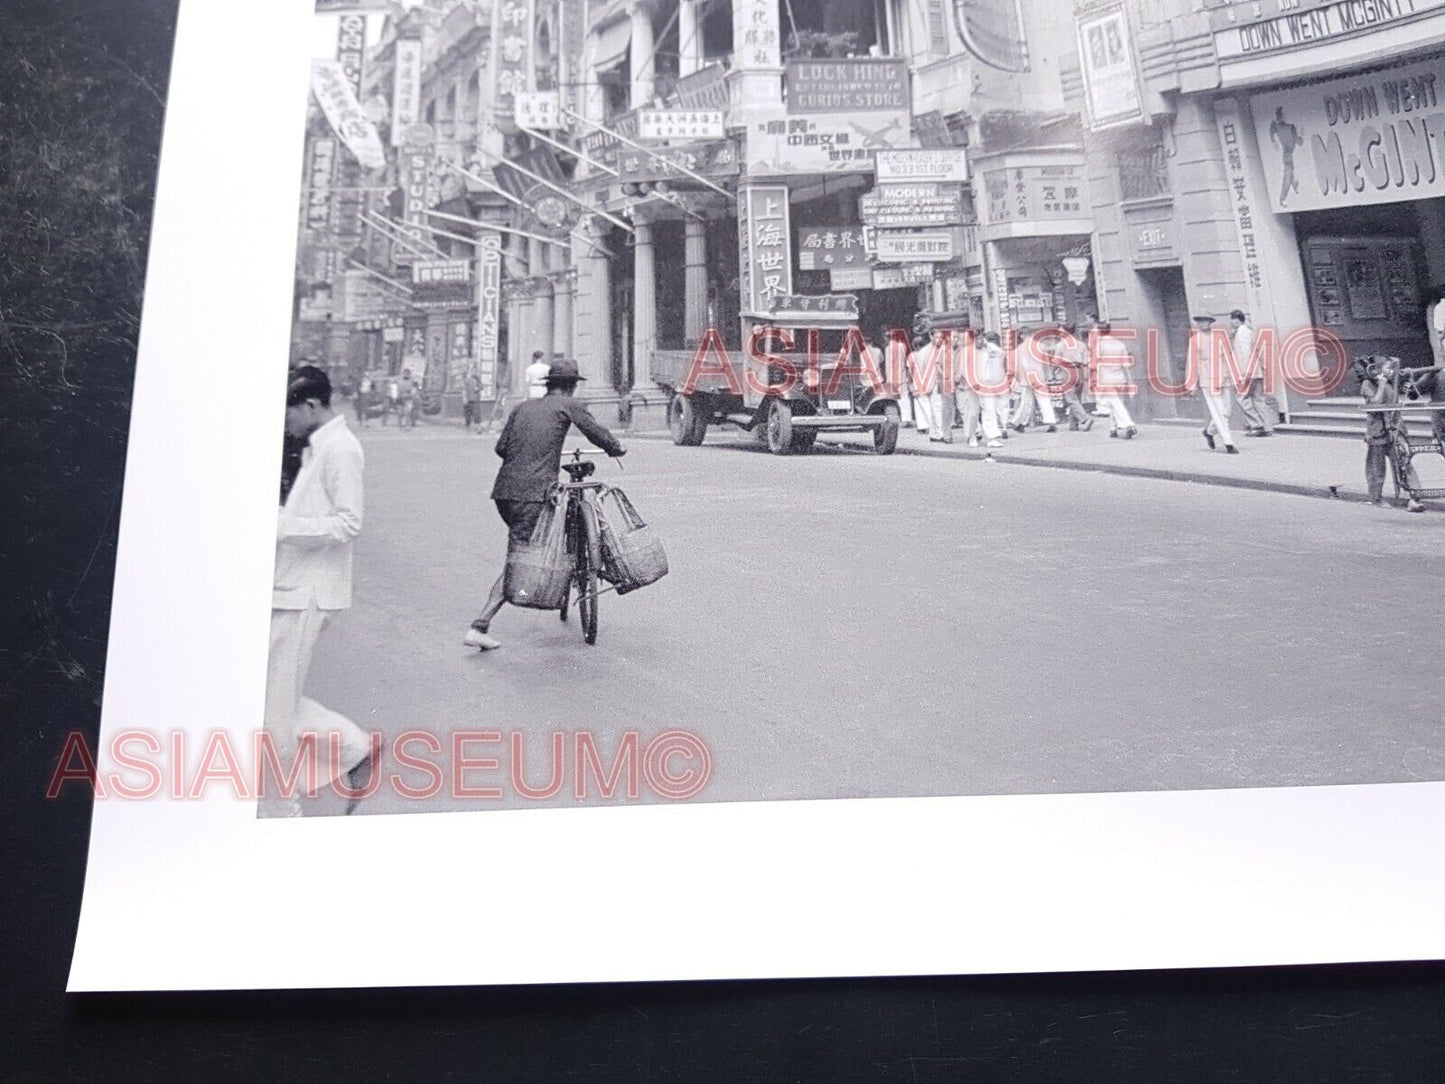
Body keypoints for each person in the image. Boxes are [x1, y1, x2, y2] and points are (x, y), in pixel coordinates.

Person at [265, 366, 375, 816]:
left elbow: (349, 523)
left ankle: (280, 811)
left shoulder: (341, 449)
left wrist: (280, 526)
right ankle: (353, 747)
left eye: (287, 412)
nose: (284, 424)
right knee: (268, 697)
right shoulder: (319, 447)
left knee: (273, 711)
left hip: (308, 594)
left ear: (310, 404)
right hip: (290, 586)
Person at [464, 358, 626, 650]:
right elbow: (595, 431)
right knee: (519, 559)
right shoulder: (568, 404)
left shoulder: (523, 407)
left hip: (504, 493)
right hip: (533, 495)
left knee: (526, 546)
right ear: (572, 386)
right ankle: (480, 624)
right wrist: (616, 448)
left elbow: (501, 447)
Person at [1359, 357, 1425, 512]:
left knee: (1404, 463)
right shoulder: (1368, 384)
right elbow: (1375, 403)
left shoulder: (1391, 385)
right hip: (1377, 430)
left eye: (1392, 369)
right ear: (1378, 370)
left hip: (1395, 429)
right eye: (1387, 369)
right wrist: (1381, 385)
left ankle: (1414, 497)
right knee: (1377, 467)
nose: (1391, 372)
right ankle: (1376, 497)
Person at [1191, 313, 1237, 453]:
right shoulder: (1195, 340)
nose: (1203, 323)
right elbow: (1193, 363)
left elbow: (1229, 357)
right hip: (1207, 379)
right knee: (1219, 412)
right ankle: (1228, 443)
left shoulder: (1219, 337)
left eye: (1205, 321)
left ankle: (1209, 432)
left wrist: (1234, 377)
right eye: (1200, 321)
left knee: (1227, 411)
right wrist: (1193, 383)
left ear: (1210, 322)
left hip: (1222, 377)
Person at [1231, 309, 1276, 437]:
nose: (1231, 322)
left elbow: (1245, 353)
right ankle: (1268, 427)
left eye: (1232, 320)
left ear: (1236, 320)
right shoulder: (1250, 332)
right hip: (1257, 371)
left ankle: (1256, 425)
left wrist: (1243, 372)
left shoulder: (1241, 333)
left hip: (1247, 370)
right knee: (1258, 399)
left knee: (1241, 398)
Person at [1091, 322, 1138, 438]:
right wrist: (1130, 381)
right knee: (1116, 403)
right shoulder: (1120, 344)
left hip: (1105, 379)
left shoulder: (1099, 345)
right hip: (1120, 378)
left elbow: (1093, 365)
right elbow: (1126, 365)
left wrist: (1092, 379)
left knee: (1115, 404)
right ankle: (1113, 428)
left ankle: (1128, 425)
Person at [1010, 328, 1060, 433]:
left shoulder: (1019, 349)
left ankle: (1018, 422)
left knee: (1025, 401)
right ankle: (1051, 422)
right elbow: (1046, 363)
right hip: (1039, 376)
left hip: (1026, 377)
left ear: (1022, 335)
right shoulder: (1040, 346)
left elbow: (1018, 366)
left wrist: (1019, 378)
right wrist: (1046, 375)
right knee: (1044, 399)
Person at [1048, 324, 1094, 431]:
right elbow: (1086, 361)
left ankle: (1085, 419)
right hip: (1080, 371)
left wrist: (1052, 373)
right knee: (1076, 398)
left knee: (1070, 399)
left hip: (1068, 371)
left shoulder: (1061, 345)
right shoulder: (1081, 344)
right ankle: (1073, 424)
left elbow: (1056, 361)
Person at [462, 366, 483, 431]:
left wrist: (478, 388)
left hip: (476, 399)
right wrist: (464, 397)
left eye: (475, 371)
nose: (474, 373)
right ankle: (468, 426)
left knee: (477, 413)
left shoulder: (478, 380)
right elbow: (464, 389)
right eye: (473, 371)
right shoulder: (467, 380)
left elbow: (482, 387)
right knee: (468, 413)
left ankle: (478, 427)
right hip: (469, 399)